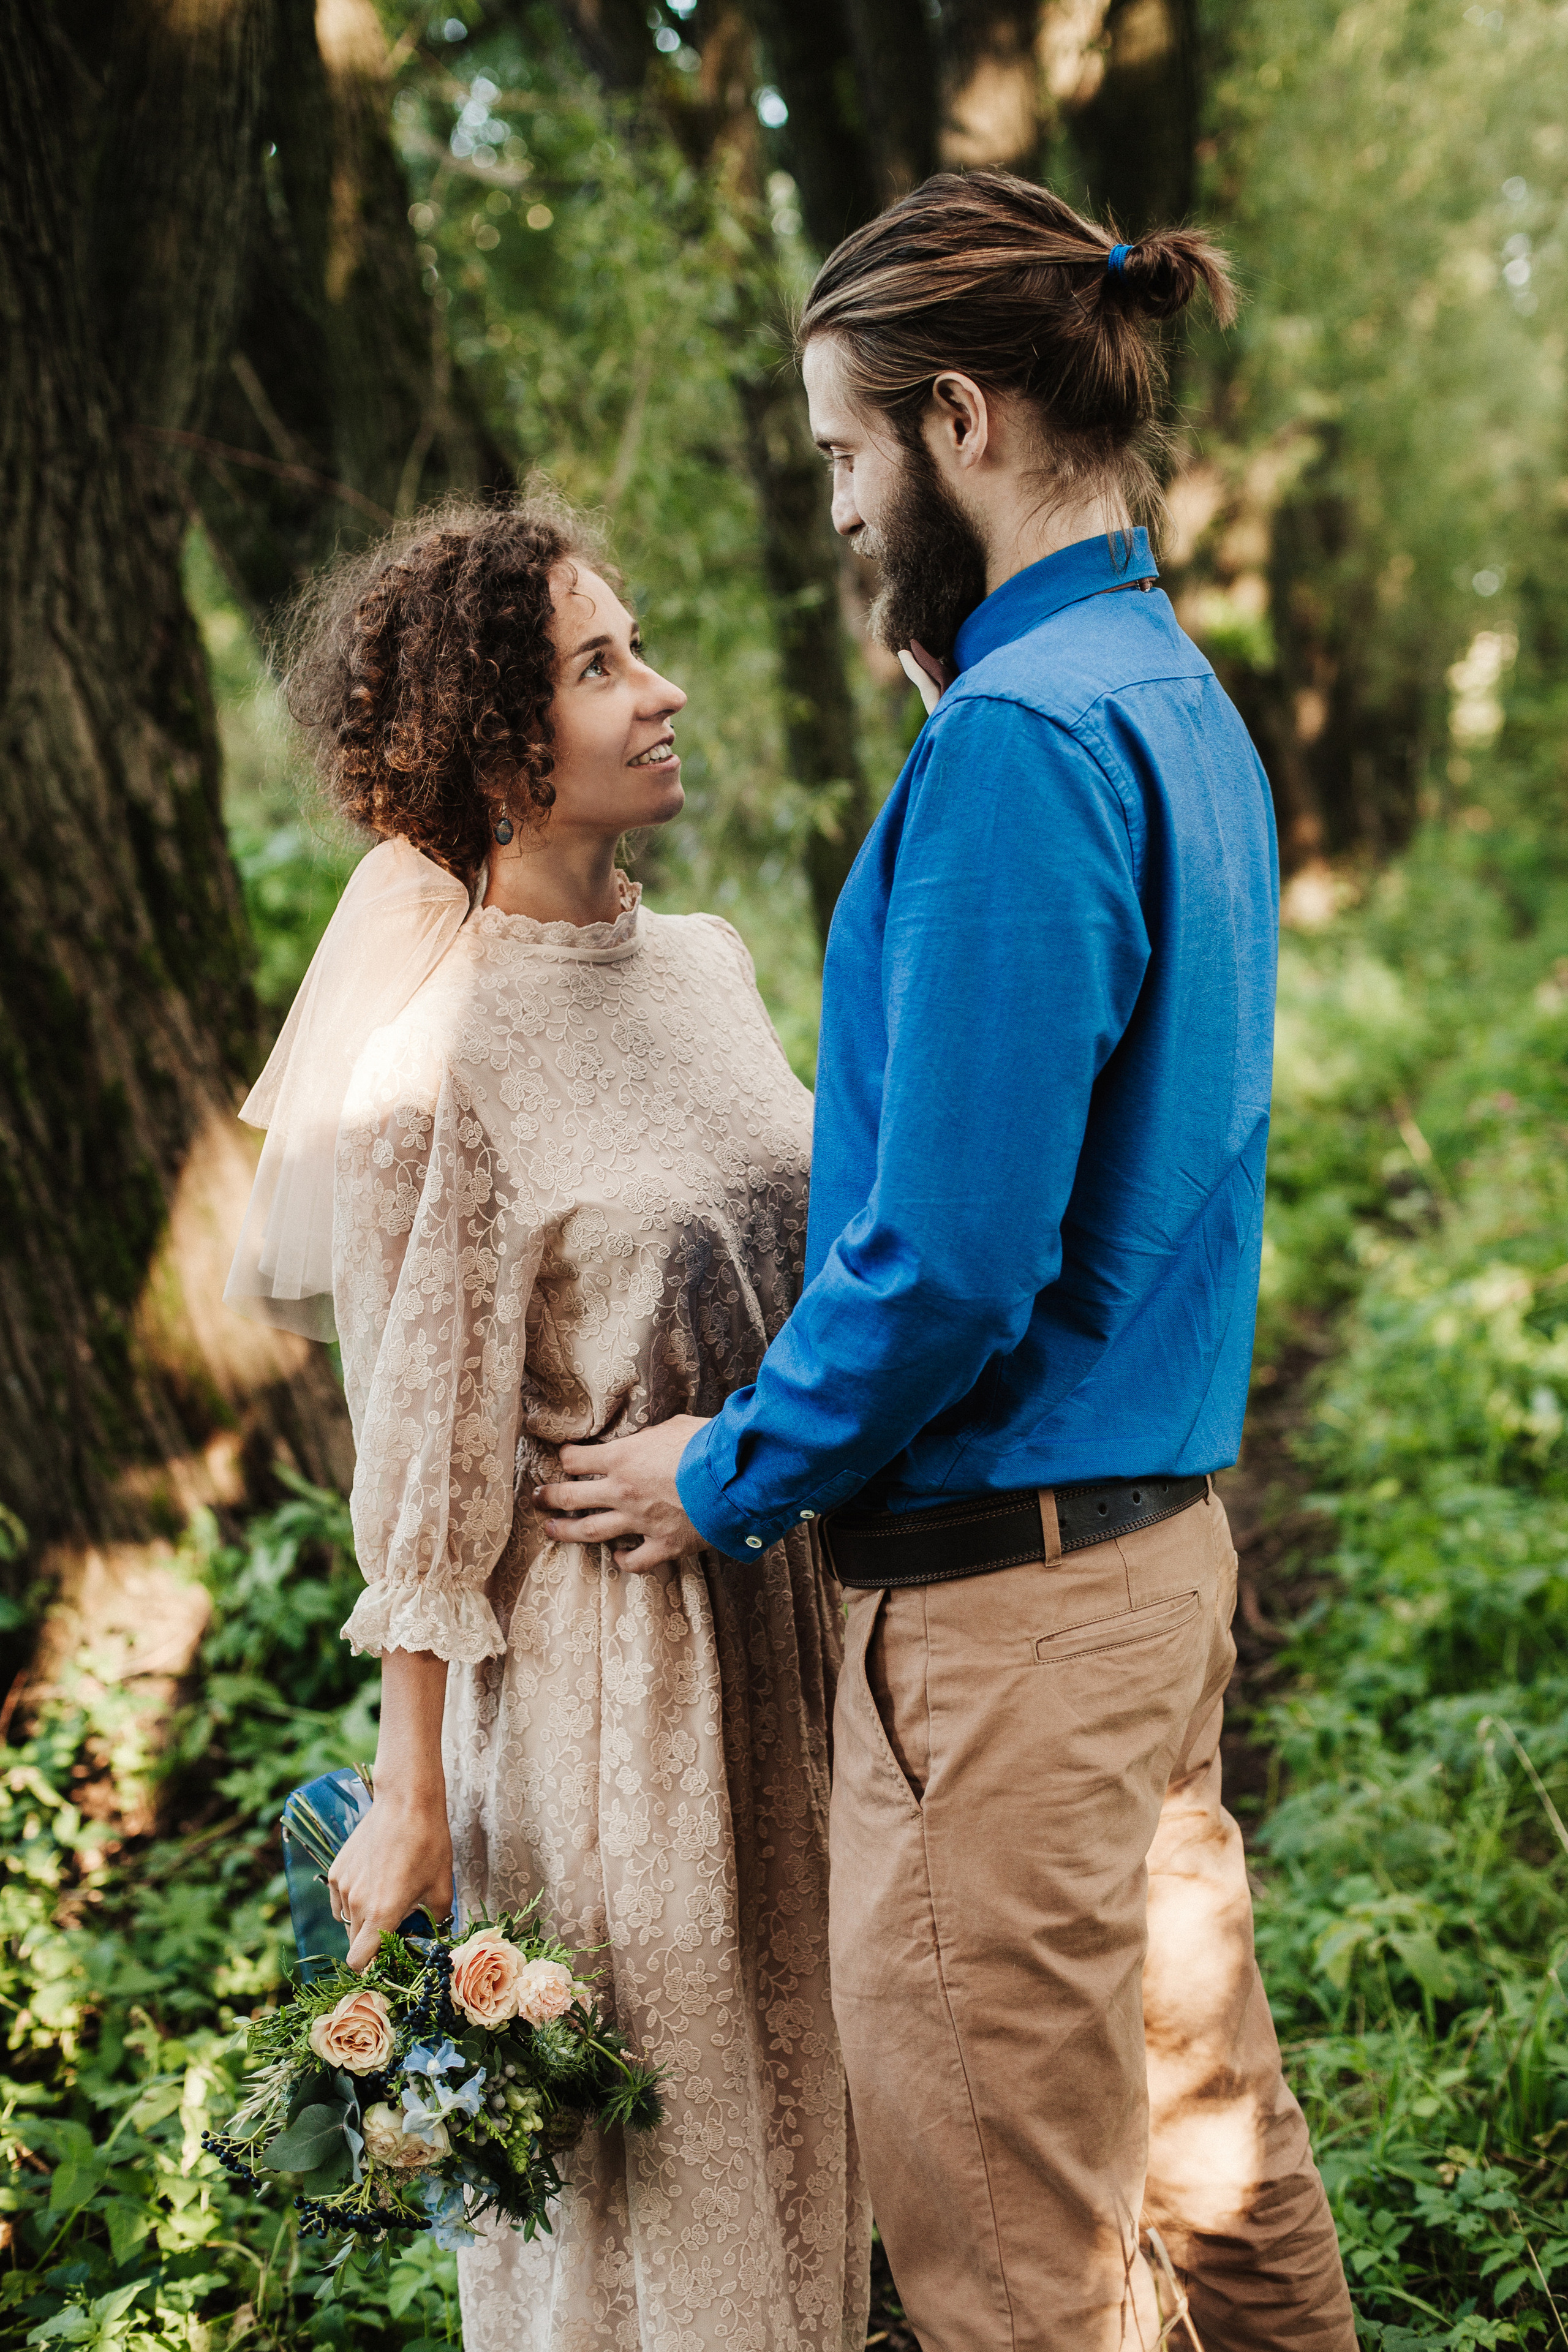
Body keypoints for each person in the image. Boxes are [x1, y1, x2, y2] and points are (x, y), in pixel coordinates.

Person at [533, 175, 1359, 2350]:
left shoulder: (1018, 751)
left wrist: (724, 1469)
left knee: (1013, 2273)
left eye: (841, 454)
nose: (830, 510)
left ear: (959, 424)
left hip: (1010, 1631)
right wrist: (958, 706)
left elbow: (956, 1261)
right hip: (1149, 1574)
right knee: (1212, 2181)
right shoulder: (1155, 689)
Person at [225, 495, 870, 2352]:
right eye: (602, 670)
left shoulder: (716, 966)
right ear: (503, 748)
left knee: (815, 2111)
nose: (660, 695)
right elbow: (425, 1469)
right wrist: (413, 1789)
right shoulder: (441, 1058)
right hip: (611, 1690)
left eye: (639, 646)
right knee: (661, 2181)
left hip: (786, 1611)